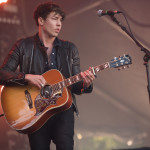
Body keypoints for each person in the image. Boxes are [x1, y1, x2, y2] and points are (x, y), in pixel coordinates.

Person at [0, 2, 95, 150]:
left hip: (63, 110)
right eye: (54, 19)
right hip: (35, 113)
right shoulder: (23, 46)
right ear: (41, 20)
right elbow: (2, 74)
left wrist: (86, 84)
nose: (59, 24)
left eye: (60, 20)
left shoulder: (70, 49)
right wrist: (26, 77)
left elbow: (76, 86)